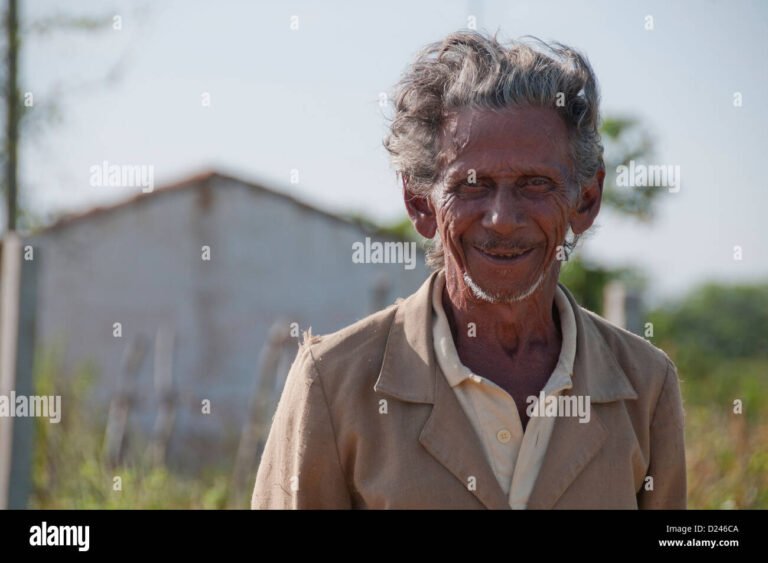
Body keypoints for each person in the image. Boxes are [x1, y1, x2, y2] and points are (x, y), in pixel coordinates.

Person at [251, 29, 686, 509]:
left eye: (535, 184)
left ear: (586, 200)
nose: (502, 219)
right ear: (420, 203)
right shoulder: (335, 385)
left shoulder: (644, 387)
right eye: (472, 186)